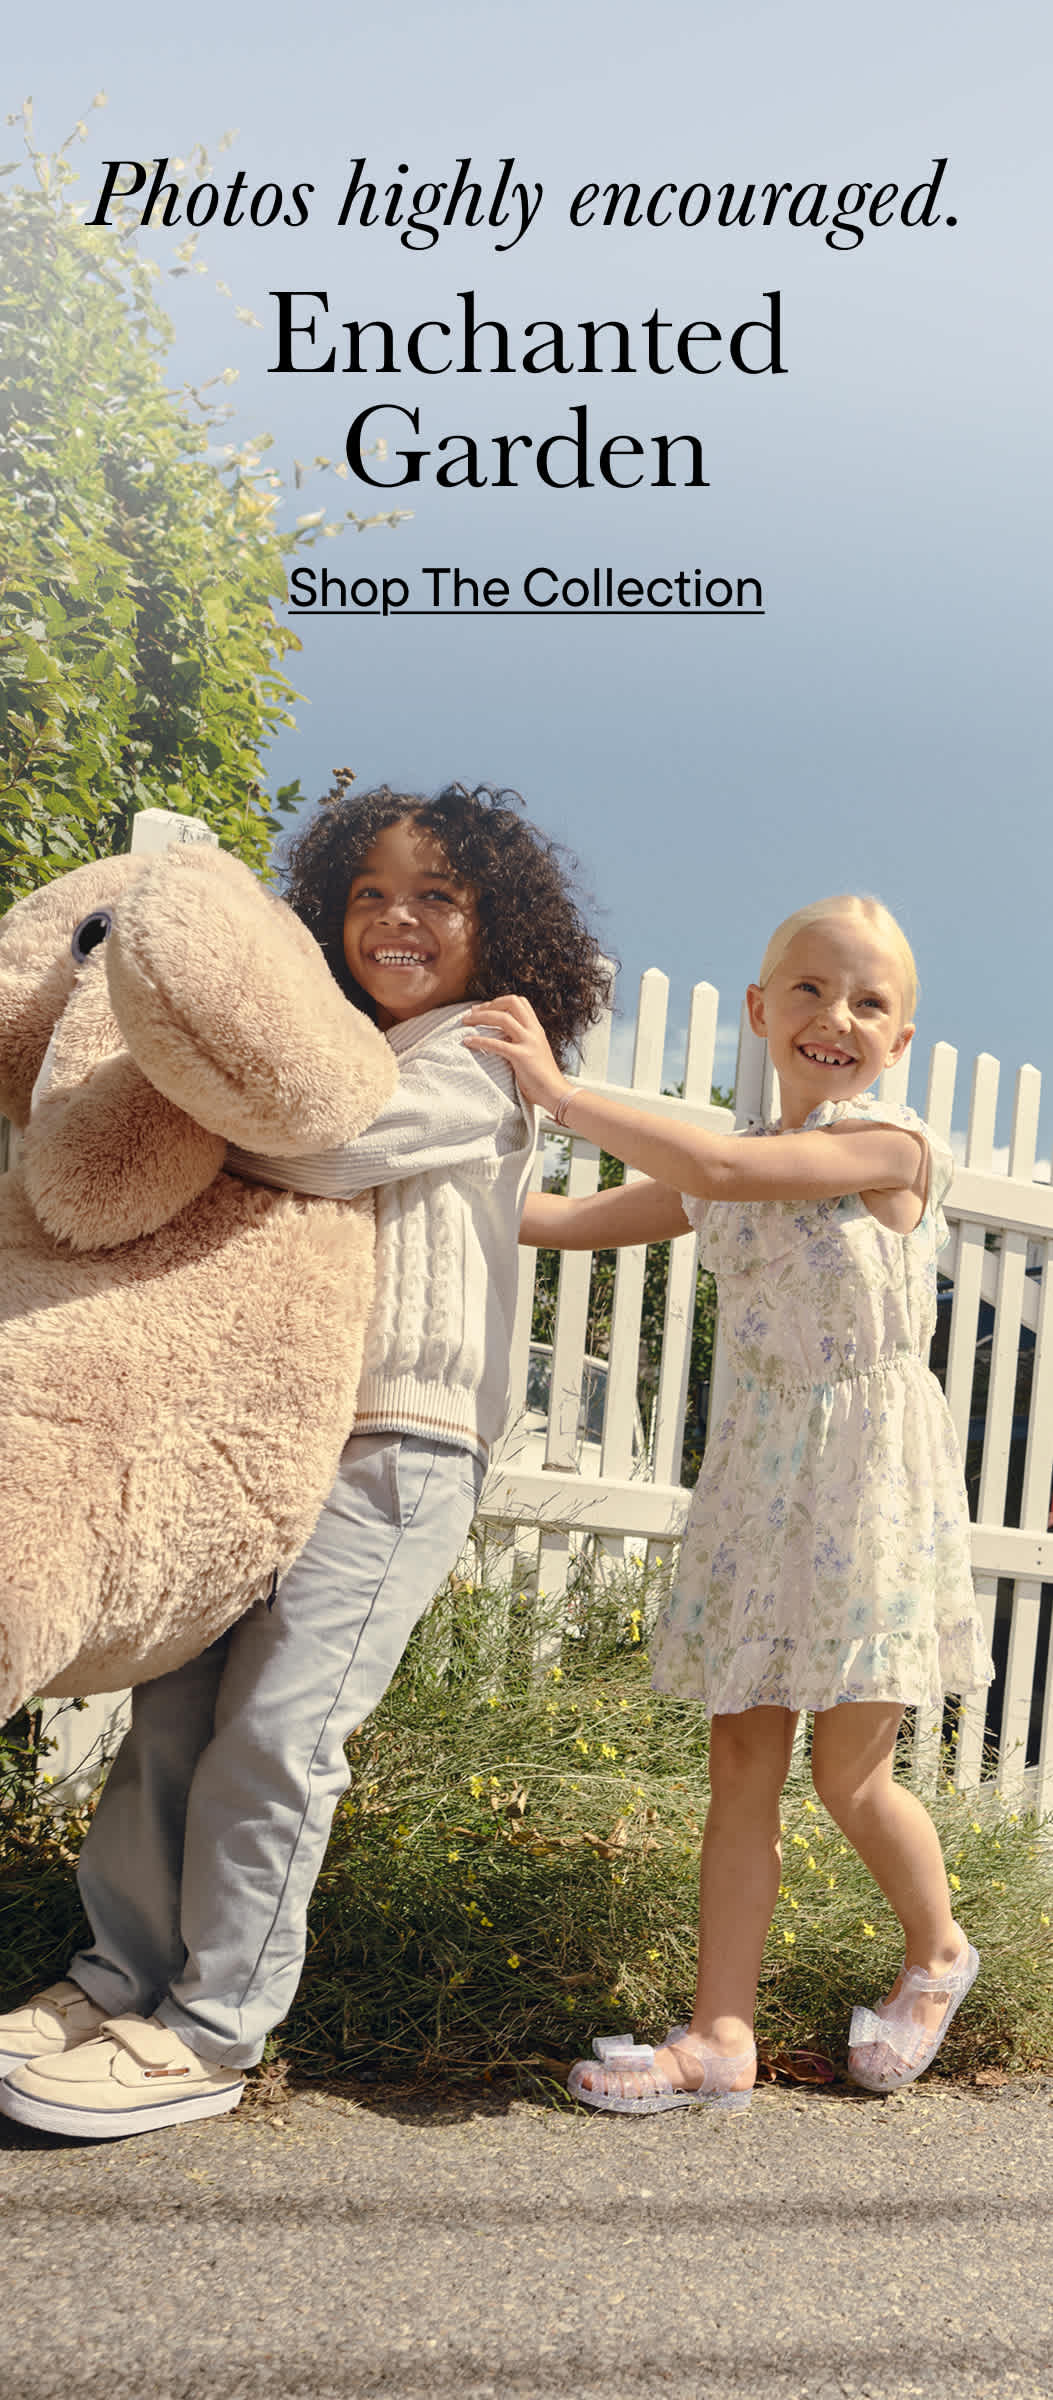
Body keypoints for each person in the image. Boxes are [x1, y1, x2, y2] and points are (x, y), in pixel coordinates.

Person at [0, 781, 607, 2140]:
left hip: (400, 1445)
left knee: (277, 1733)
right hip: (261, 1433)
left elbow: (328, 1149)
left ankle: (213, 2027)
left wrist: (191, 1101)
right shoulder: (314, 1036)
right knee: (170, 1720)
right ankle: (115, 1978)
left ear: (494, 925)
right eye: (370, 893)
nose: (399, 918)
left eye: (438, 896)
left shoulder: (484, 1051)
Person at [464, 893, 993, 2113]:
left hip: (866, 1481)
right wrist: (445, 1164)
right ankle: (721, 2039)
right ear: (761, 1011)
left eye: (870, 1002)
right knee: (740, 1762)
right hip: (760, 1480)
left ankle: (941, 1952)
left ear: (900, 1041)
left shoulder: (893, 1148)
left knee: (849, 1774)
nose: (836, 1017)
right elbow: (560, 1220)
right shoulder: (731, 1170)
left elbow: (720, 1162)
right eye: (808, 989)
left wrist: (560, 1089)